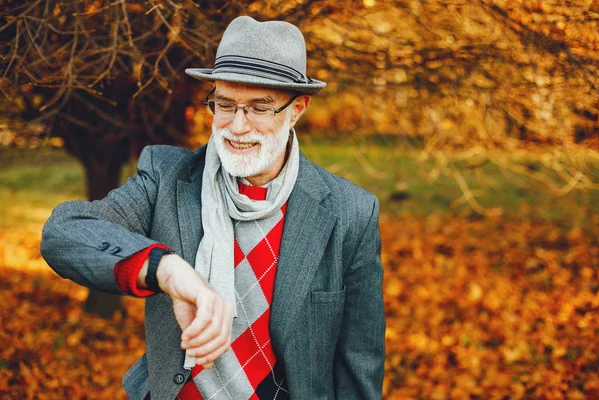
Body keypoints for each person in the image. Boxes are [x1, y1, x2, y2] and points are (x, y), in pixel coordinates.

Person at [41, 16, 384, 400]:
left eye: (259, 107)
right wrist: (166, 270)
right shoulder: (166, 177)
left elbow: (359, 368)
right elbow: (66, 230)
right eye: (224, 105)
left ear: (296, 109)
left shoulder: (349, 212)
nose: (237, 126)